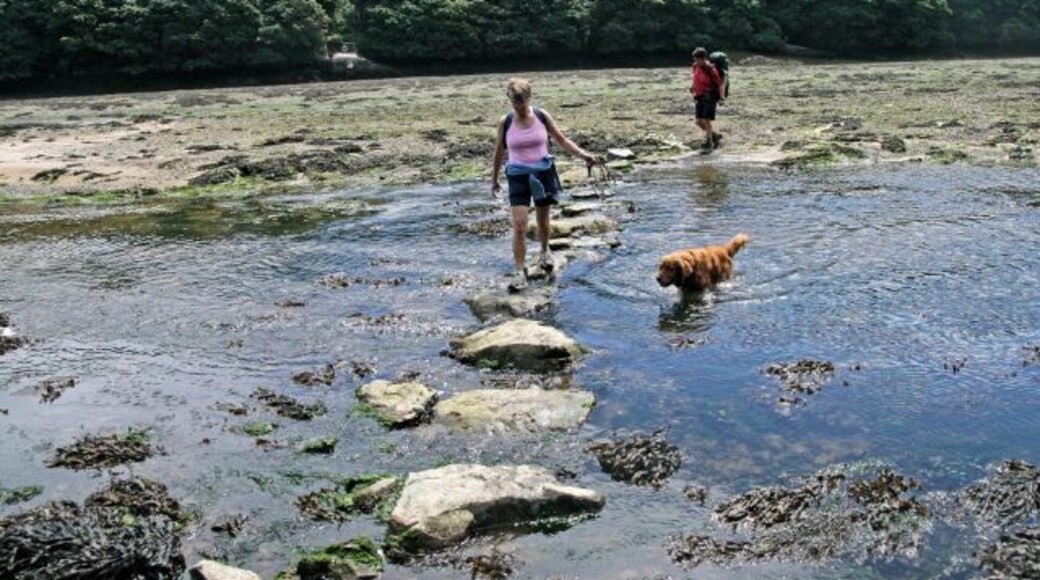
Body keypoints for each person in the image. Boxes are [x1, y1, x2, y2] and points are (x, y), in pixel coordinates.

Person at [491, 77, 598, 291]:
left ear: (529, 98)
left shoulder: (541, 116)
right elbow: (499, 151)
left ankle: (544, 250)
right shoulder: (507, 121)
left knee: (543, 221)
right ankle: (520, 272)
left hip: (543, 173)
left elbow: (562, 140)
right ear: (510, 101)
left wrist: (583, 154)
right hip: (517, 176)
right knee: (520, 225)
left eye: (522, 103)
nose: (519, 108)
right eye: (515, 104)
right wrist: (493, 179)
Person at [689, 47, 726, 152]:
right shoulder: (695, 66)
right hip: (699, 96)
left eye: (698, 59)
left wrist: (722, 98)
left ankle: (708, 142)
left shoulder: (710, 69)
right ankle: (715, 136)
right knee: (698, 121)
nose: (696, 61)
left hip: (710, 96)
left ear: (703, 58)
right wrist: (693, 86)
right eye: (695, 59)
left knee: (706, 120)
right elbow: (695, 78)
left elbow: (720, 84)